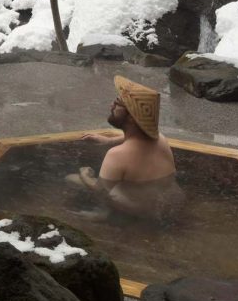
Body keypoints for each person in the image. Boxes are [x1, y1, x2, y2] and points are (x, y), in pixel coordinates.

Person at [70, 76, 184, 219]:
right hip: (171, 201)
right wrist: (107, 140)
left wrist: (84, 174)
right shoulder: (160, 138)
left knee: (72, 179)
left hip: (144, 211)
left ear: (131, 117)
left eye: (117, 104)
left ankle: (102, 214)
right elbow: (133, 138)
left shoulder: (117, 155)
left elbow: (99, 189)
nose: (111, 106)